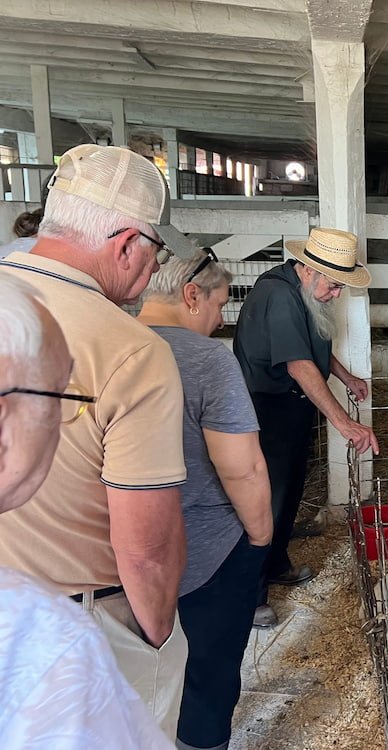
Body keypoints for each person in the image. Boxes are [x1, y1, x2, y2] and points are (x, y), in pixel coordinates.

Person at [0, 143, 201, 739]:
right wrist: (158, 636)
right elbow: (146, 549)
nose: (151, 267)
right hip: (84, 624)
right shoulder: (132, 350)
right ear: (125, 245)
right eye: (155, 250)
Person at [0, 274, 173, 749]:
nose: (63, 424)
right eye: (61, 399)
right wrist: (158, 639)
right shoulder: (48, 640)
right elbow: (146, 549)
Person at [138, 251, 273, 750]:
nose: (221, 319)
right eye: (219, 305)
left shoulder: (112, 343)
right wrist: (260, 535)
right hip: (209, 549)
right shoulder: (207, 358)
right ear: (191, 296)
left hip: (129, 552)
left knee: (146, 664)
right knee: (209, 673)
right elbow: (242, 466)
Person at [234, 227, 379, 627]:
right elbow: (299, 365)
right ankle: (251, 594)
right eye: (333, 287)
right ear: (309, 270)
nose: (336, 295)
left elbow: (313, 346)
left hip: (292, 406)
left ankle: (277, 562)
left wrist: (346, 377)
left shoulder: (301, 291)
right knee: (266, 500)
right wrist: (345, 423)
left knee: (291, 489)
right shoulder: (278, 295)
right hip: (268, 409)